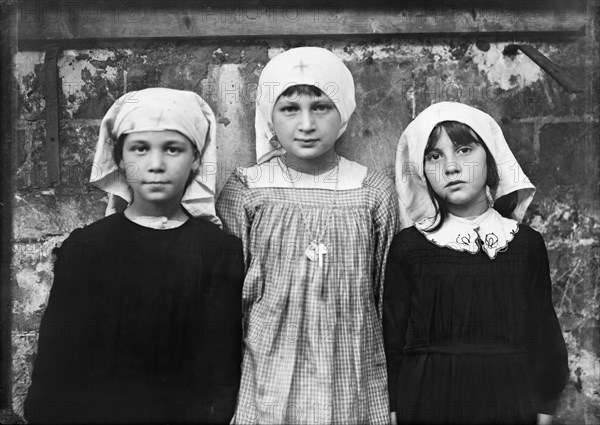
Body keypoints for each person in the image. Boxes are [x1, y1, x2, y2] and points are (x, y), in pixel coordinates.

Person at [24, 88, 244, 424]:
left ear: (197, 158)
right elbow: (55, 364)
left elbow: (222, 369)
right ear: (120, 157)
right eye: (140, 149)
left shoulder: (218, 251)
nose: (155, 165)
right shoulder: (86, 250)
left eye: (173, 149)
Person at [216, 47, 400, 424]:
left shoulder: (372, 191)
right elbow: (227, 298)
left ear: (344, 112)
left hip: (350, 366)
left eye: (321, 107)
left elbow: (386, 294)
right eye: (290, 109)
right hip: (266, 366)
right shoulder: (247, 189)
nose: (306, 124)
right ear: (270, 115)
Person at [384, 101, 569, 425]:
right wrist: (394, 407)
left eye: (464, 149)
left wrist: (544, 407)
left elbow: (544, 333)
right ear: (421, 169)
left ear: (491, 157)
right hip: (428, 398)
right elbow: (392, 336)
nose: (451, 167)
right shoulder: (410, 247)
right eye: (434, 156)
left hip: (508, 398)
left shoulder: (525, 244)